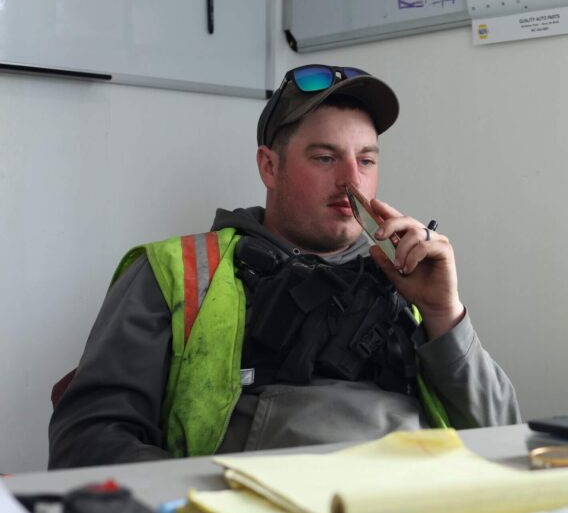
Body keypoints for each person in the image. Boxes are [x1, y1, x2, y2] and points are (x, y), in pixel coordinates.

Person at [49, 65, 521, 469]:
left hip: (422, 507)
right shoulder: (179, 271)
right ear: (269, 167)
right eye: (324, 158)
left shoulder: (411, 275)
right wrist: (208, 506)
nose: (352, 182)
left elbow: (505, 440)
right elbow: (87, 439)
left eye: (366, 159)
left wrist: (445, 314)